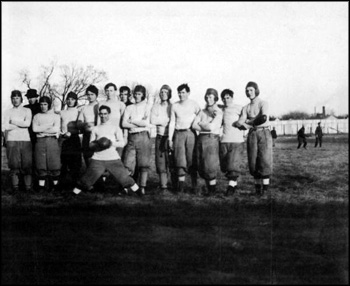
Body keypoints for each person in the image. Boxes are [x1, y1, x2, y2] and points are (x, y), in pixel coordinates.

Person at [73, 105, 142, 196]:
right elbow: (90, 145)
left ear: (109, 114)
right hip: (98, 158)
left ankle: (140, 194)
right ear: (99, 115)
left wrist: (110, 143)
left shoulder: (115, 128)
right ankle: (72, 195)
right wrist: (99, 144)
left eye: (105, 113)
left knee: (125, 178)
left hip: (113, 158)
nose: (103, 116)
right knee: (86, 180)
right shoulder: (95, 129)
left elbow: (122, 143)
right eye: (101, 114)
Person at [233, 81, 272, 196]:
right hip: (252, 134)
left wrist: (248, 123)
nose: (249, 92)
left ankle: (265, 191)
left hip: (264, 132)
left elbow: (263, 118)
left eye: (251, 90)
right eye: (247, 90)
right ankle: (257, 189)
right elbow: (240, 122)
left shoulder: (263, 103)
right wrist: (240, 123)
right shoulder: (246, 107)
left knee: (264, 160)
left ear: (256, 90)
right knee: (253, 161)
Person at [168, 83, 201, 193]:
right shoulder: (175, 105)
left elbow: (201, 116)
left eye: (183, 92)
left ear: (188, 93)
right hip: (178, 134)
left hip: (190, 133)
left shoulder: (194, 104)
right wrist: (169, 138)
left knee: (191, 159)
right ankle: (180, 187)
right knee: (179, 160)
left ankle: (194, 186)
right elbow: (172, 122)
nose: (181, 95)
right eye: (179, 92)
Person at [121, 85, 152, 195]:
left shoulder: (148, 106)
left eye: (139, 94)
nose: (136, 96)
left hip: (144, 136)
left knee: (143, 164)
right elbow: (124, 123)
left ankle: (142, 187)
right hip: (132, 136)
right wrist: (139, 122)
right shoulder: (129, 108)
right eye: (135, 93)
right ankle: (127, 187)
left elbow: (146, 123)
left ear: (143, 95)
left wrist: (132, 121)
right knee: (127, 163)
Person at [192, 88, 223, 196]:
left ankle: (212, 191)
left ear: (215, 98)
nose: (208, 99)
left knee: (210, 164)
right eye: (207, 97)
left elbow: (211, 127)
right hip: (201, 139)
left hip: (211, 139)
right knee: (202, 163)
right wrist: (204, 124)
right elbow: (193, 125)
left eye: (211, 97)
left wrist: (201, 123)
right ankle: (206, 189)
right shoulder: (202, 111)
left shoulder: (218, 112)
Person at [2, 90, 33, 193]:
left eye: (17, 98)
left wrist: (13, 122)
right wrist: (20, 124)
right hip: (12, 139)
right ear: (11, 99)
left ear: (21, 99)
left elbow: (27, 124)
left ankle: (28, 187)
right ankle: (15, 187)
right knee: (14, 165)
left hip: (25, 140)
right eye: (13, 98)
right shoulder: (7, 112)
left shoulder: (27, 110)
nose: (15, 100)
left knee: (27, 165)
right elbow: (5, 126)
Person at [219, 89, 245, 196]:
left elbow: (245, 118)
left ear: (232, 97)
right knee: (225, 167)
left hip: (236, 140)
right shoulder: (221, 110)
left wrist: (240, 122)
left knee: (233, 165)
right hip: (224, 140)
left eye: (228, 97)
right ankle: (233, 184)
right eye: (224, 98)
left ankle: (231, 187)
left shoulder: (239, 108)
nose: (226, 100)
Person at [32, 96, 61, 192]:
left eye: (45, 104)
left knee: (54, 164)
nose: (43, 106)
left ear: (49, 105)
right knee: (41, 164)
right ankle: (41, 187)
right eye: (41, 104)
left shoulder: (56, 116)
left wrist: (42, 129)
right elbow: (35, 129)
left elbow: (55, 129)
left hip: (52, 141)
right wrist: (49, 127)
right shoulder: (36, 116)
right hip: (40, 141)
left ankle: (55, 186)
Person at [150, 84, 173, 192]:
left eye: (166, 92)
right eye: (162, 92)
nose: (163, 94)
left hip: (171, 137)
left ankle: (175, 185)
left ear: (169, 94)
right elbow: (153, 120)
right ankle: (163, 186)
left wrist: (165, 122)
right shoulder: (156, 106)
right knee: (160, 162)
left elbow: (174, 121)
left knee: (172, 161)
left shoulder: (173, 106)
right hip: (159, 136)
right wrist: (164, 122)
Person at [59, 92, 82, 187]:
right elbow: (59, 126)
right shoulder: (62, 112)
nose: (70, 101)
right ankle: (62, 184)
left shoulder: (79, 112)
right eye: (68, 99)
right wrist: (62, 134)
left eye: (72, 99)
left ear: (76, 100)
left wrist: (72, 133)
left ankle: (75, 183)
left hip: (74, 138)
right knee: (64, 161)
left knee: (75, 162)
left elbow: (80, 127)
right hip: (64, 139)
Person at [98, 83, 126, 156]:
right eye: (107, 91)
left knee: (117, 159)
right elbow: (98, 121)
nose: (109, 93)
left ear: (115, 91)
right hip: (104, 135)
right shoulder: (101, 104)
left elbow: (124, 122)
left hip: (117, 136)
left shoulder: (121, 104)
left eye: (111, 90)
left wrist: (125, 136)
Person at [77, 85, 99, 167]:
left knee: (98, 161)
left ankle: (101, 179)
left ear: (96, 95)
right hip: (87, 136)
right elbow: (79, 123)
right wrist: (86, 124)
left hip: (98, 136)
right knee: (88, 159)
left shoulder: (99, 106)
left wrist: (93, 124)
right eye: (88, 94)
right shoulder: (84, 108)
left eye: (92, 94)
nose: (90, 96)